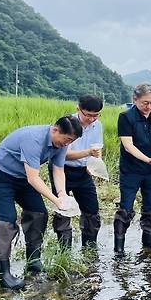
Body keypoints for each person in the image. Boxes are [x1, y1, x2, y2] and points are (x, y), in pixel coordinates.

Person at [0, 116, 82, 289]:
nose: (66, 144)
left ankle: (34, 261)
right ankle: (2, 274)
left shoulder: (60, 144)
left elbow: (58, 169)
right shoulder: (33, 138)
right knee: (6, 222)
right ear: (55, 130)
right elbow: (33, 178)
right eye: (66, 140)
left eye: (70, 142)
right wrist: (56, 201)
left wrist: (62, 194)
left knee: (38, 213)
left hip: (21, 179)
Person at [114, 83, 151, 254]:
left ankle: (148, 247)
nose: (149, 106)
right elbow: (128, 146)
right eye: (145, 102)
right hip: (131, 171)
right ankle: (119, 249)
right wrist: (149, 160)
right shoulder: (126, 117)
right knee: (126, 209)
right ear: (135, 100)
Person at [49, 95, 104, 250]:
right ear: (78, 109)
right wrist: (88, 153)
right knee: (63, 209)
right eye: (88, 115)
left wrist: (94, 163)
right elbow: (63, 154)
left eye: (96, 115)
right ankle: (64, 251)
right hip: (62, 170)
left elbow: (97, 148)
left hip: (83, 172)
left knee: (91, 210)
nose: (92, 119)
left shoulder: (97, 125)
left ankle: (89, 249)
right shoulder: (67, 124)